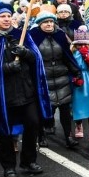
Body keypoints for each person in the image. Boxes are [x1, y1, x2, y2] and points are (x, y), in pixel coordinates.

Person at [0, 2, 52, 177]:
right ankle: (8, 166)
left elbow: (36, 59)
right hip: (2, 96)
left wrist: (26, 53)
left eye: (9, 16)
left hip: (26, 91)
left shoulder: (21, 35)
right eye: (2, 16)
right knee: (4, 131)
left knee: (32, 124)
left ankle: (28, 161)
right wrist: (6, 67)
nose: (7, 19)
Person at [29, 10, 80, 148]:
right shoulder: (33, 36)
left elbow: (67, 56)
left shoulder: (59, 35)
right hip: (43, 79)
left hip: (62, 77)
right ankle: (41, 135)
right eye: (46, 22)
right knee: (45, 110)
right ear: (39, 24)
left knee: (65, 110)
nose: (49, 24)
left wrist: (76, 72)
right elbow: (30, 59)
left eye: (51, 21)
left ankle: (69, 137)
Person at [70, 26, 89, 142]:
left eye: (85, 44)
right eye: (79, 45)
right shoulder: (73, 53)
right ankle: (79, 125)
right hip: (78, 79)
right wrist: (74, 78)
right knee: (77, 104)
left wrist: (87, 56)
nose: (82, 47)